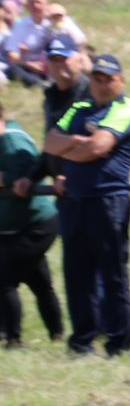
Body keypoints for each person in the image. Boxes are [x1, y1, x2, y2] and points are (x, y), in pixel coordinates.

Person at [42, 53, 130, 357]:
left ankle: (118, 342)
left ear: (120, 81)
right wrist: (82, 144)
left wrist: (75, 145)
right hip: (75, 201)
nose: (101, 85)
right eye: (96, 78)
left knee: (112, 274)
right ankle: (82, 340)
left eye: (108, 79)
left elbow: (99, 147)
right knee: (76, 274)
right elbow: (49, 143)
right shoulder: (80, 107)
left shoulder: (126, 108)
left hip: (108, 201)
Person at [0, 97, 63, 346]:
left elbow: (25, 174)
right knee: (39, 282)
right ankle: (56, 334)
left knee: (3, 281)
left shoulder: (12, 139)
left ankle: (11, 338)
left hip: (35, 225)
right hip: (14, 227)